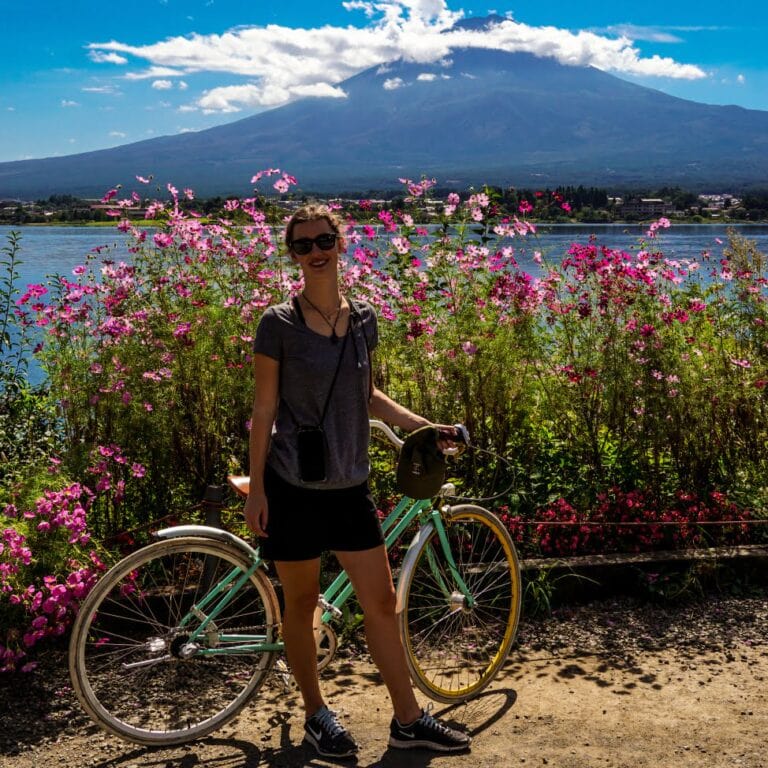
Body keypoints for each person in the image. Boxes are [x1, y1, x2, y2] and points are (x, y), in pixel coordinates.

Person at [243, 203, 471, 758]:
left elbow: (366, 394)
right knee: (300, 605)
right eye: (303, 245)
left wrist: (422, 425)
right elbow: (265, 408)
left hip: (350, 485)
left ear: (341, 243)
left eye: (323, 240)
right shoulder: (278, 323)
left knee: (382, 603)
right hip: (292, 485)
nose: (315, 252)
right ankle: (317, 714)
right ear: (291, 253)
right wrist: (258, 488)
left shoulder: (364, 318)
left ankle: (408, 718)